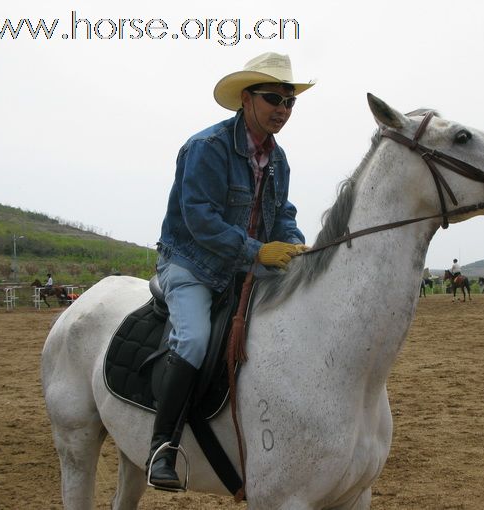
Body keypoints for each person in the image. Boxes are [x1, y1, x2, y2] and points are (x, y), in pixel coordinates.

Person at [147, 52, 315, 490]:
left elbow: (282, 214)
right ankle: (162, 448)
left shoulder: (279, 160)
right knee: (195, 340)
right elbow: (199, 218)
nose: (283, 109)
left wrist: (295, 245)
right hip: (192, 264)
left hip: (244, 266)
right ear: (246, 98)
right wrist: (259, 252)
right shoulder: (205, 148)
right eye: (274, 98)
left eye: (290, 102)